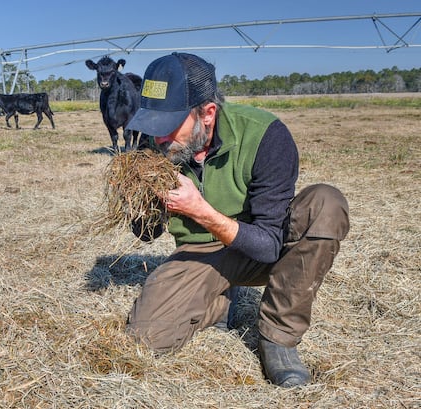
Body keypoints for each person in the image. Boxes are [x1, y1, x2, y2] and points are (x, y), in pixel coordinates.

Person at [124, 52, 350, 387]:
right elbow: (145, 234)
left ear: (208, 113)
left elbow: (270, 246)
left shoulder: (265, 136)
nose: (159, 138)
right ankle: (217, 303)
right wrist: (147, 204)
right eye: (154, 125)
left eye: (169, 125)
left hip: (258, 243)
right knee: (146, 339)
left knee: (326, 203)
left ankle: (278, 340)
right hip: (198, 253)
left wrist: (199, 209)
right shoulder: (155, 145)